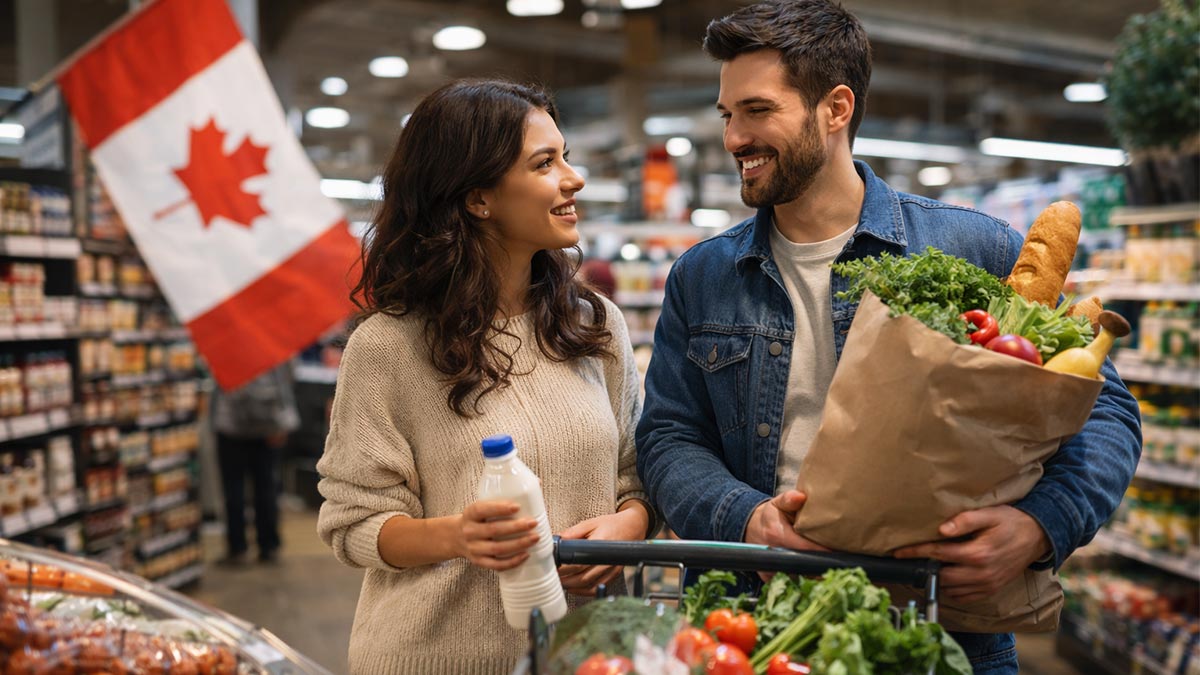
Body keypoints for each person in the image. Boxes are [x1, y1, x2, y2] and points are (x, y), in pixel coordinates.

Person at [634, 2, 1141, 673]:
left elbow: (1104, 408)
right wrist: (745, 517)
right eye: (728, 115)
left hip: (939, 630)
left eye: (757, 111)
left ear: (836, 108)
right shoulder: (703, 275)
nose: (733, 137)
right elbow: (668, 435)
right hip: (754, 631)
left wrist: (1040, 526)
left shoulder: (974, 248)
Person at [315, 79, 655, 675]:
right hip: (436, 655)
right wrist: (458, 536)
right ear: (478, 198)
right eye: (545, 163)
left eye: (565, 156)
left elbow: (636, 475)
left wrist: (626, 529)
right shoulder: (388, 348)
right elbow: (354, 523)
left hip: (586, 655)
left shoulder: (595, 325)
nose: (573, 178)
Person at [212, 363, 299, 564]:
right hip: (267, 428)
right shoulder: (272, 346)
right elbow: (286, 384)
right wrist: (281, 424)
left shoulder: (224, 347)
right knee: (266, 486)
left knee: (233, 489)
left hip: (230, 427)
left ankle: (237, 547)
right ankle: (268, 545)